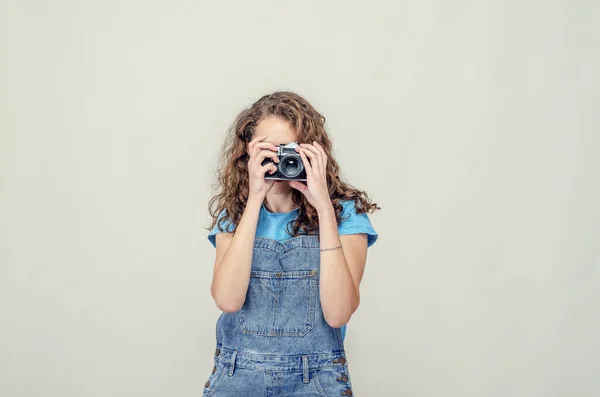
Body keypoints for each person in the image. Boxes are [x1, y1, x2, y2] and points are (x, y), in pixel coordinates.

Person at [203, 91, 379, 396]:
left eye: (289, 151)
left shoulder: (344, 215)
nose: (280, 160)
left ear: (312, 151)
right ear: (248, 153)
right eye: (268, 150)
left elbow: (338, 313)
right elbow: (228, 300)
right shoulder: (234, 215)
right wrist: (255, 198)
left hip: (316, 380)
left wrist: (323, 206)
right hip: (237, 377)